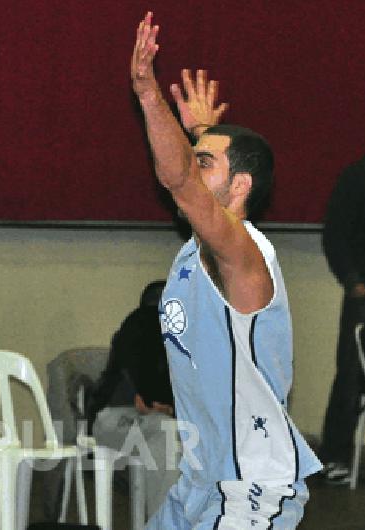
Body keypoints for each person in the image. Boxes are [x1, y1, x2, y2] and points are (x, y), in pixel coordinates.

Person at [130, 12, 321, 528]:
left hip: (250, 490)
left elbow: (179, 181)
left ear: (240, 187)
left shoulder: (241, 252)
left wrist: (149, 94)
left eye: (206, 162)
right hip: (200, 480)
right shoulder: (195, 251)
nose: (193, 167)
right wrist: (202, 135)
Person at [318, 110, 365, 485]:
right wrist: (354, 282)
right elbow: (336, 236)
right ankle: (335, 457)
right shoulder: (357, 178)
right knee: (351, 375)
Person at [83, 279, 180, 517]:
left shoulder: (174, 338)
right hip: (114, 418)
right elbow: (146, 396)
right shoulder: (141, 324)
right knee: (167, 433)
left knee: (171, 435)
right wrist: (160, 405)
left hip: (141, 425)